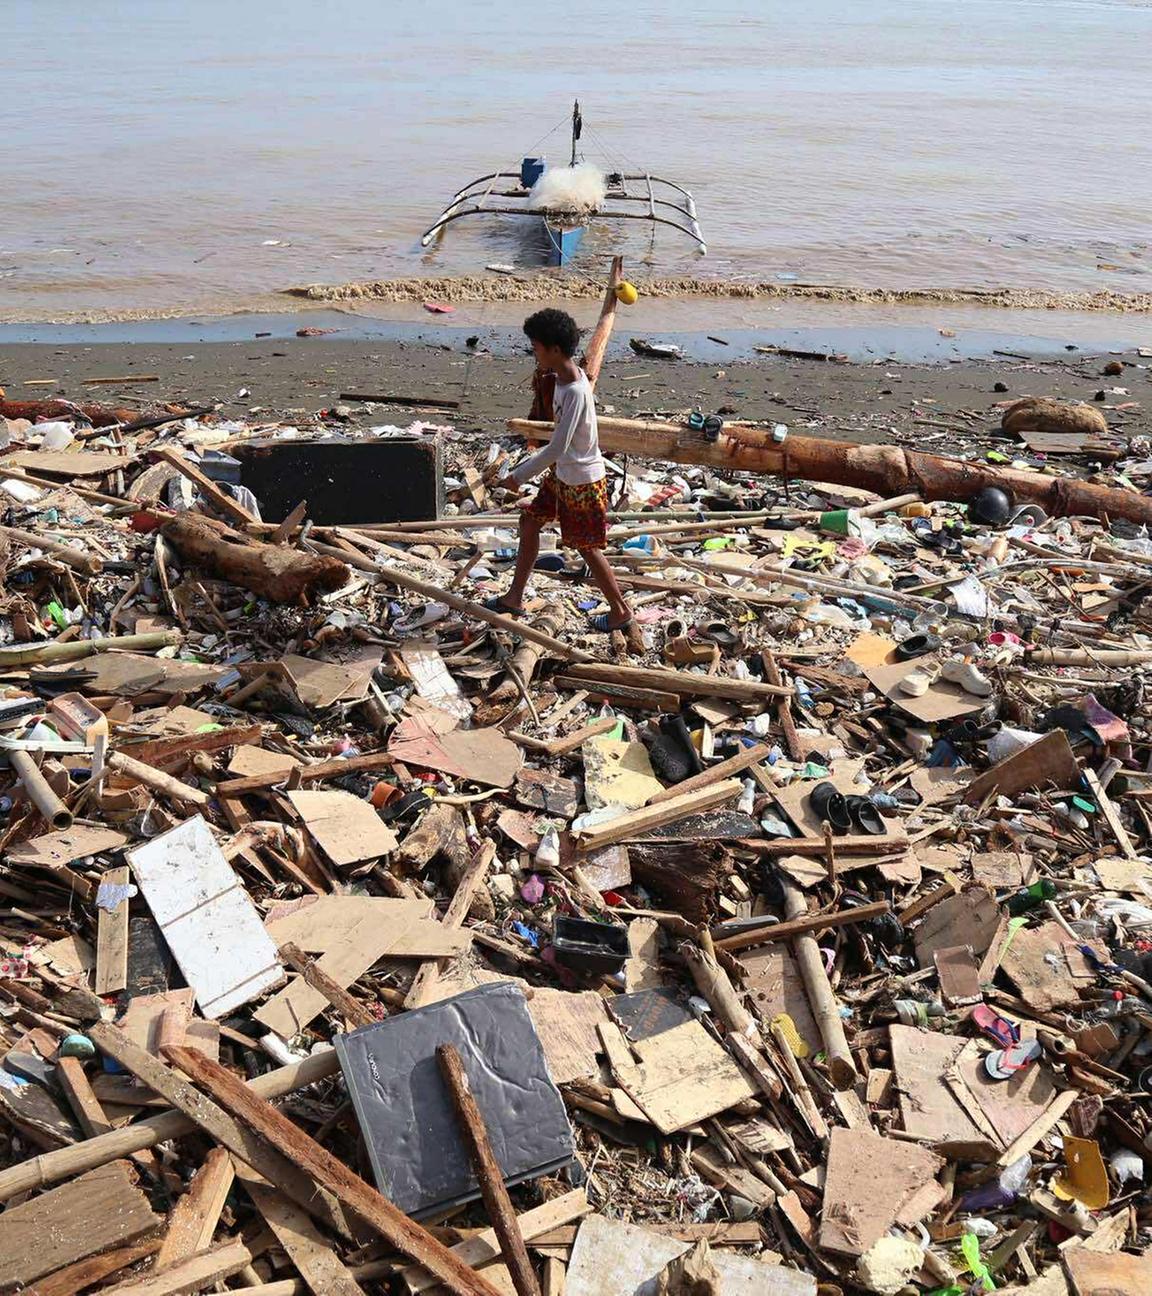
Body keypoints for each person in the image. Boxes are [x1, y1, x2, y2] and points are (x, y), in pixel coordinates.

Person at [484, 307, 633, 633]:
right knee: (530, 520)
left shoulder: (577, 391)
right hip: (563, 475)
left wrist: (518, 476)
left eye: (536, 347)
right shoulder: (562, 379)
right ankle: (514, 598)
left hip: (581, 479)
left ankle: (620, 610)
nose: (533, 352)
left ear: (554, 349)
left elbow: (558, 447)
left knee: (586, 547)